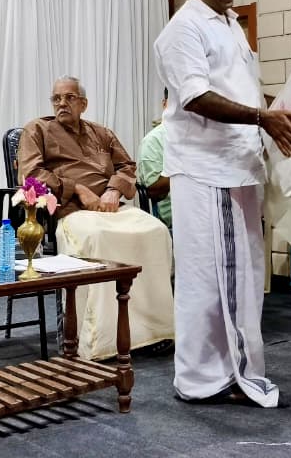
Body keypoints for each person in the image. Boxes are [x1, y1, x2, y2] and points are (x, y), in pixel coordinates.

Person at [153, 0, 291, 408]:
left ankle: (215, 374)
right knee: (216, 280)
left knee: (241, 277)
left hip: (237, 169)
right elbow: (196, 97)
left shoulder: (230, 23)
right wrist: (262, 119)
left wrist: (276, 114)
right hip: (209, 172)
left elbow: (241, 91)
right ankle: (214, 378)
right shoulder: (183, 30)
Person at [17, 76, 174, 359]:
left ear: (84, 104)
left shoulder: (101, 133)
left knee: (156, 230)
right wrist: (76, 188)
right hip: (71, 210)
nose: (61, 103)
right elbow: (30, 174)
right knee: (98, 237)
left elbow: (127, 166)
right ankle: (101, 339)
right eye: (56, 98)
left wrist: (114, 190)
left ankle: (154, 331)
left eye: (69, 98)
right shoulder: (37, 129)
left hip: (110, 206)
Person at [136, 88, 172, 228]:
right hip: (178, 217)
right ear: (164, 104)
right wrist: (183, 167)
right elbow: (153, 191)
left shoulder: (199, 136)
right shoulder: (153, 141)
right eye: (176, 102)